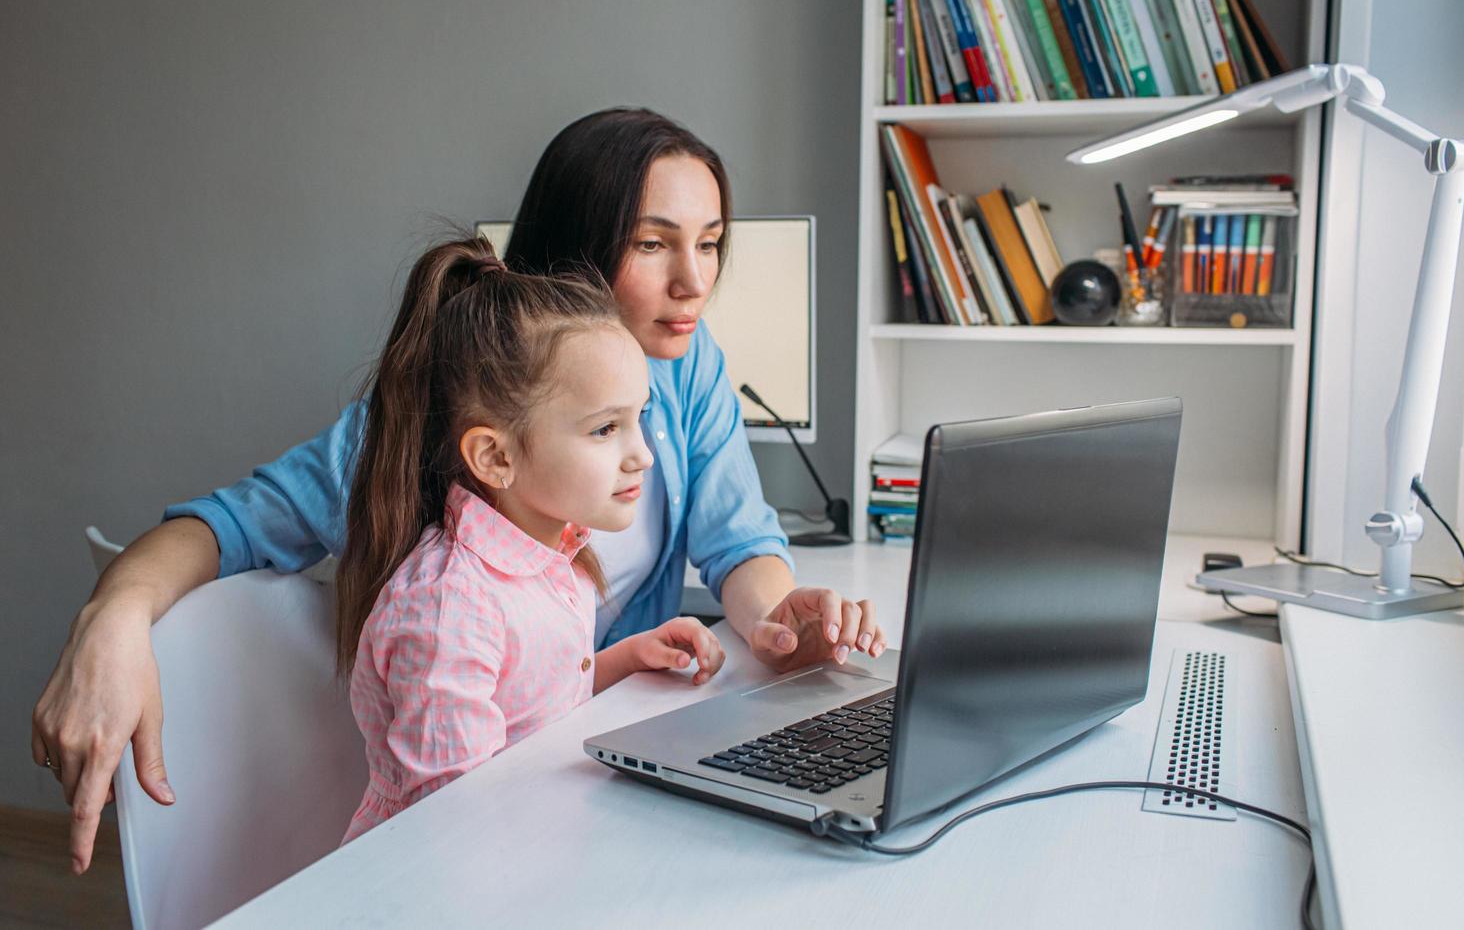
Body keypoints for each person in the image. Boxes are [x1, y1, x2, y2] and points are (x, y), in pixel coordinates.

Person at [33, 107, 887, 873]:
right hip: (498, 820)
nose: (695, 282)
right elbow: (226, 528)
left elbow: (739, 543)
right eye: (653, 243)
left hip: (596, 766)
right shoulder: (423, 420)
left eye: (709, 243)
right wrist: (111, 616)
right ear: (578, 253)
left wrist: (780, 621)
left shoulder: (687, 362)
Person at [338, 238, 727, 842]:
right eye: (605, 429)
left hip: (532, 848)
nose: (643, 455)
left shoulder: (550, 559)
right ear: (495, 456)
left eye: (639, 418)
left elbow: (528, 710)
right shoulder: (449, 609)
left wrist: (624, 660)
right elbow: (454, 823)